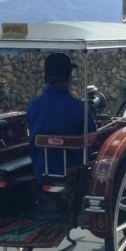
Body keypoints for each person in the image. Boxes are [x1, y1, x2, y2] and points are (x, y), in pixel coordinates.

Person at [27, 53, 97, 185]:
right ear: (68, 77)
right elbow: (92, 139)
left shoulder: (33, 106)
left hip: (41, 170)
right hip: (74, 173)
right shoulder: (79, 108)